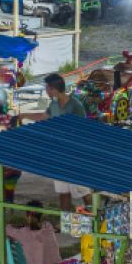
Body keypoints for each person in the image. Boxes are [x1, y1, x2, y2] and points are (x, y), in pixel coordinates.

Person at [44, 73, 88, 209]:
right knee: (63, 192)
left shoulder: (75, 106)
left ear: (54, 89)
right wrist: (24, 115)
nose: (46, 91)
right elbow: (44, 117)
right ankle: (65, 222)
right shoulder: (53, 104)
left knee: (83, 190)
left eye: (47, 88)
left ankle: (97, 220)